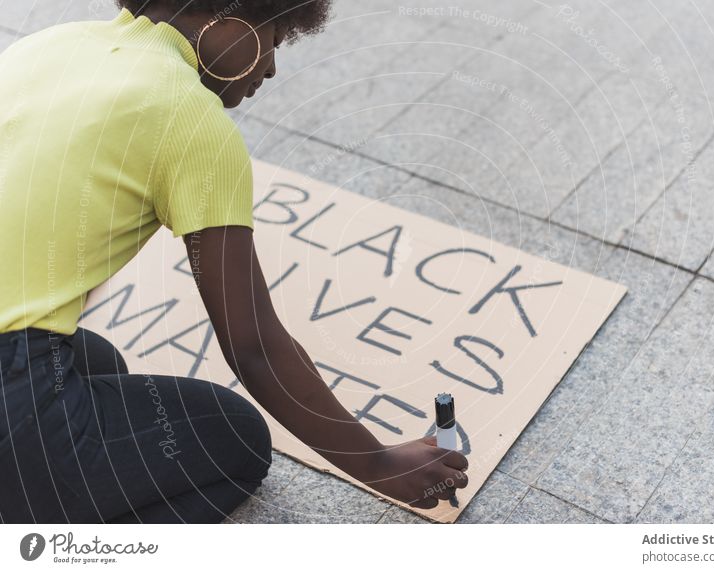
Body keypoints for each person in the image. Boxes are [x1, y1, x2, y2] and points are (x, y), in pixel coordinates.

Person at [0, 0, 468, 524]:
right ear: (226, 19)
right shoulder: (190, 118)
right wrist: (379, 464)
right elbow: (254, 349)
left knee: (96, 364)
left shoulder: (46, 46)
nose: (271, 66)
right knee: (235, 438)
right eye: (276, 35)